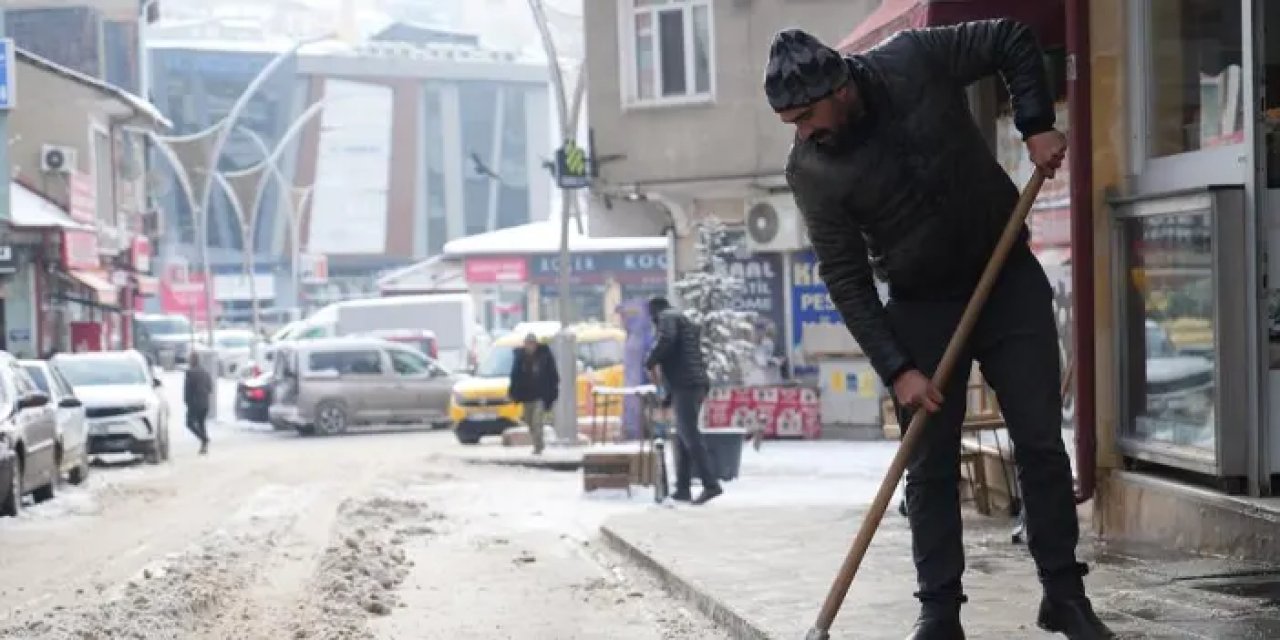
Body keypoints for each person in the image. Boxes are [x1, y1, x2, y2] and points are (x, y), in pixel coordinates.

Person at [766, 22, 1111, 640]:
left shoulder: (912, 58)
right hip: (921, 306)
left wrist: (1035, 123)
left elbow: (1010, 38)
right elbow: (847, 280)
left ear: (839, 86)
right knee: (929, 466)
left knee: (1039, 444)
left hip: (1006, 276)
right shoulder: (812, 172)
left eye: (807, 115)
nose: (805, 132)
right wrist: (898, 369)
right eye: (792, 123)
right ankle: (939, 614)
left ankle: (1064, 594)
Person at [644, 297, 722, 506]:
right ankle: (683, 488)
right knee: (681, 436)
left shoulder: (667, 317)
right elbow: (680, 356)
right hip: (691, 384)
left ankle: (711, 484)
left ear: (654, 312)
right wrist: (669, 394)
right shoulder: (681, 319)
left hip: (686, 385)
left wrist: (651, 358)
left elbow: (668, 341)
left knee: (689, 435)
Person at [508, 333, 558, 454]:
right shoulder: (520, 358)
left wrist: (552, 392)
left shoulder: (544, 356)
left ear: (536, 344)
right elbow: (515, 377)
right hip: (526, 396)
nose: (530, 347)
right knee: (529, 421)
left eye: (532, 344)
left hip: (540, 395)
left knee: (537, 420)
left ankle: (538, 446)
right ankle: (537, 442)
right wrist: (513, 393)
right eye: (527, 344)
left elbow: (552, 374)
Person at [183, 351, 212, 455]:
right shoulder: (205, 372)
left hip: (194, 403)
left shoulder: (189, 373)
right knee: (201, 424)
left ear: (191, 361)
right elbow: (210, 388)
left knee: (189, 423)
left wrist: (187, 402)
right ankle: (204, 446)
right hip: (205, 403)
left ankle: (204, 438)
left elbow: (187, 390)